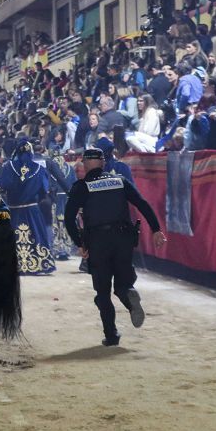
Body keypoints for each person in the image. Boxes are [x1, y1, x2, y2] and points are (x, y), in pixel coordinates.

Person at [64, 147, 165, 346]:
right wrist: (156, 229)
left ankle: (111, 335)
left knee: (102, 292)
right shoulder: (120, 181)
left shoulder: (81, 187)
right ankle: (129, 296)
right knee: (121, 284)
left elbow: (69, 219)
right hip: (123, 238)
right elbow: (142, 204)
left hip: (98, 241)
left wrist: (80, 243)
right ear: (103, 163)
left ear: (84, 165)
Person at [0, 138, 57, 275]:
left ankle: (14, 265)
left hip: (14, 211)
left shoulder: (9, 167)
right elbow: (44, 190)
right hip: (32, 210)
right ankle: (39, 264)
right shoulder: (39, 169)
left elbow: (2, 185)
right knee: (37, 236)